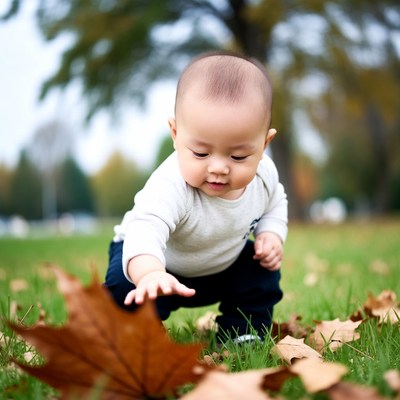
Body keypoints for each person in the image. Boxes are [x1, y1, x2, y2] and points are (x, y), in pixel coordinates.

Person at [104, 50, 288, 343]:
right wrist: (150, 273)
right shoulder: (170, 185)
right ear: (176, 135)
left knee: (260, 273)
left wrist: (271, 234)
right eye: (200, 153)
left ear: (264, 145)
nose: (218, 168)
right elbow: (145, 229)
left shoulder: (265, 175)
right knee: (124, 288)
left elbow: (276, 201)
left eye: (238, 156)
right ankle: (139, 336)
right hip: (156, 262)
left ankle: (242, 332)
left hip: (222, 265)